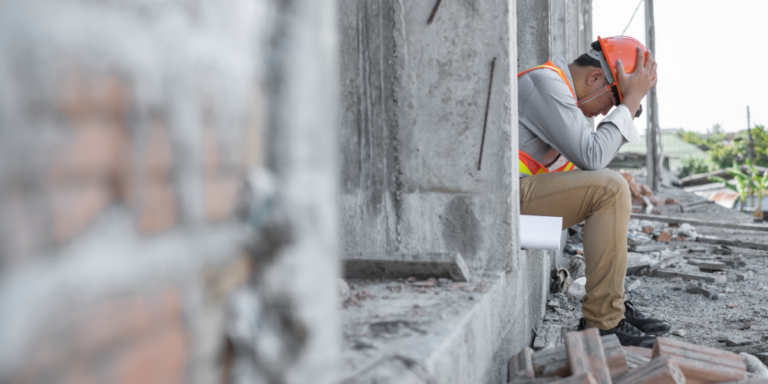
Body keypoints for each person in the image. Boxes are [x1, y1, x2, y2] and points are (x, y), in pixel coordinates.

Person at [517, 36, 669, 348]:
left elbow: (586, 167)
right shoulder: (546, 84)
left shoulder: (567, 101)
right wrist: (629, 103)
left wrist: (627, 103)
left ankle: (611, 308)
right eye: (611, 102)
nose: (604, 113)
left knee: (612, 188)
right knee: (611, 188)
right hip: (503, 206)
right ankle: (603, 323)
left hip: (521, 207)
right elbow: (593, 156)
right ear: (595, 77)